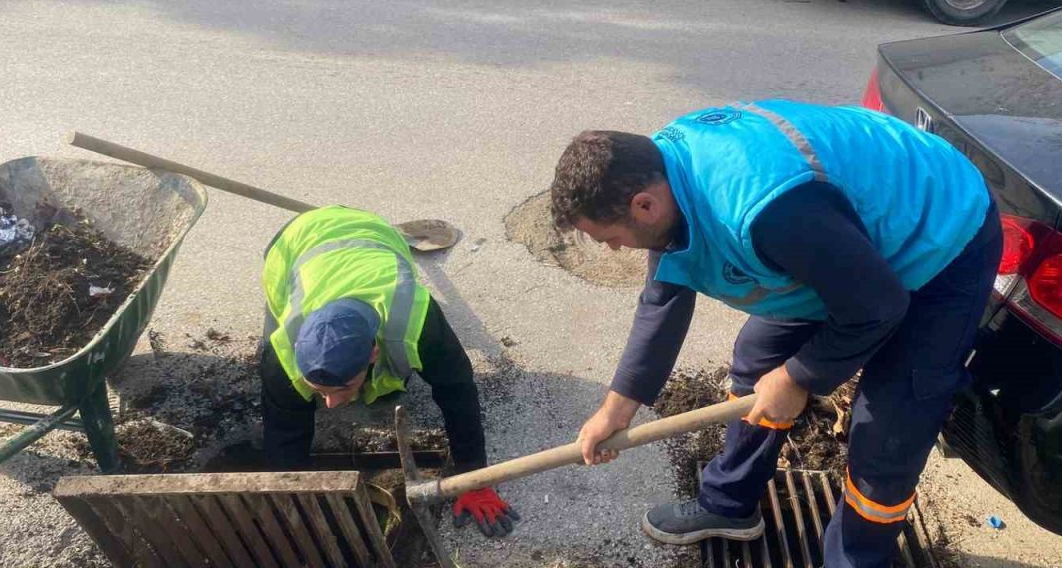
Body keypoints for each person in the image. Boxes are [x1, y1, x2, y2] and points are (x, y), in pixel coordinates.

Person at [551, 99, 1001, 567]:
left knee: (887, 424)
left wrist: (800, 378)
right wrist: (616, 410)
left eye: (609, 238)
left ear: (643, 205)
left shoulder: (765, 208)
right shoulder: (661, 173)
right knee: (758, 358)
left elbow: (880, 305)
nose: (615, 249)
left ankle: (855, 560)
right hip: (840, 243)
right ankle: (727, 504)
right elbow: (664, 297)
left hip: (940, 235)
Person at [258, 205, 519, 537]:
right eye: (320, 391)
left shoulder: (416, 321)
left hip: (373, 233)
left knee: (401, 378)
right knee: (278, 383)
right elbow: (284, 437)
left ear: (373, 352)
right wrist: (294, 509)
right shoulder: (282, 356)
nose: (330, 405)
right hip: (292, 244)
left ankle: (372, 382)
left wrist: (473, 477)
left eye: (340, 389)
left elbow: (458, 390)